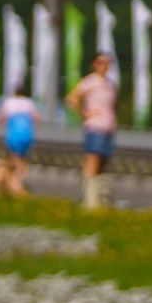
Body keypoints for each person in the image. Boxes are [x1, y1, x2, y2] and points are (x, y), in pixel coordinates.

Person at [65, 50, 118, 211]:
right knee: (92, 161)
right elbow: (72, 98)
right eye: (101, 62)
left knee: (103, 162)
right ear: (94, 64)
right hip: (95, 126)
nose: (104, 66)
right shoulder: (90, 81)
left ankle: (101, 198)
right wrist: (84, 113)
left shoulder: (109, 84)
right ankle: (89, 201)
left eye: (107, 62)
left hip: (108, 127)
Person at [0, 86, 39, 197]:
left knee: (14, 158)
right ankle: (20, 179)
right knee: (24, 158)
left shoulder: (8, 102)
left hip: (13, 135)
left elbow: (1, 118)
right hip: (27, 135)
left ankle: (14, 182)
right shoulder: (29, 102)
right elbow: (36, 118)